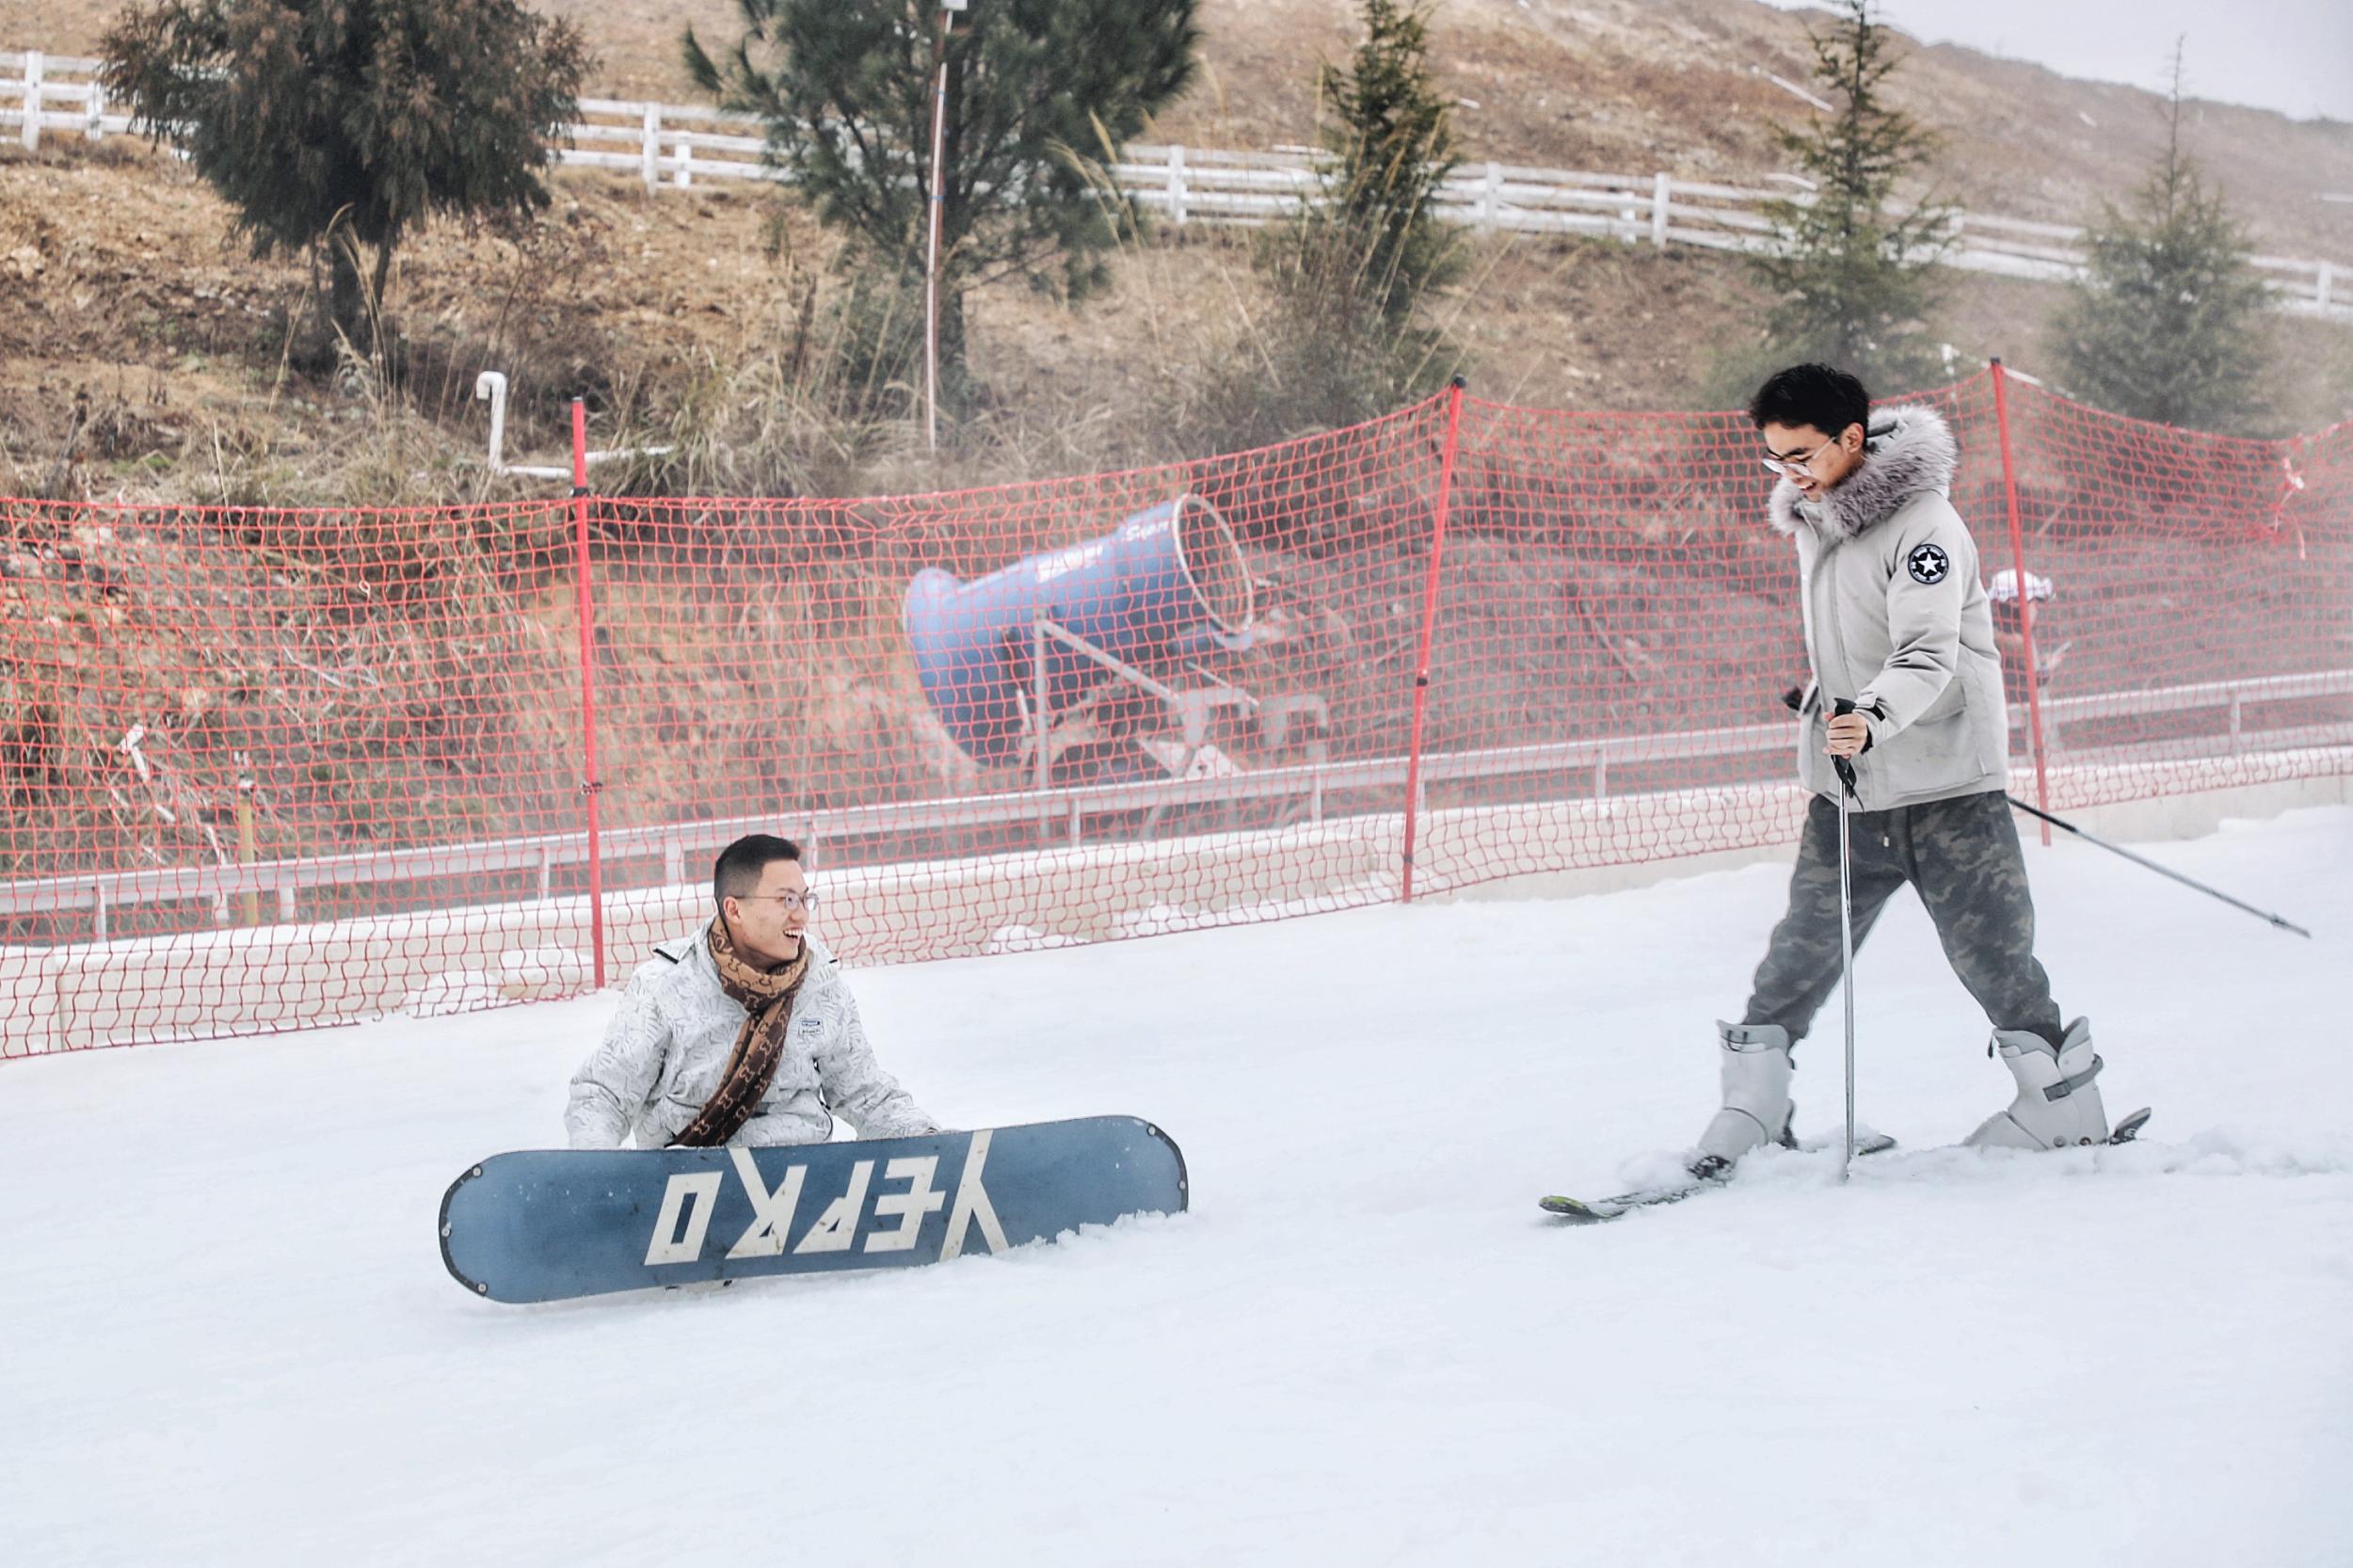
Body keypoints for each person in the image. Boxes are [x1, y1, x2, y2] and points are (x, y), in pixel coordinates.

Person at [1695, 364, 2112, 1170]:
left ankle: (2063, 1105)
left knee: (1992, 951)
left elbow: (1928, 652)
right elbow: (1861, 640)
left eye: (1802, 456)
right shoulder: (1816, 518)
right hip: (1851, 789)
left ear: (1853, 438)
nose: (1789, 476)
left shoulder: (1924, 526)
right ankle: (1754, 1106)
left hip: (1948, 783)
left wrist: (1869, 715)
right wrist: (1826, 697)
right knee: (1802, 948)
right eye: (1774, 460)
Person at [567, 833, 939, 1149]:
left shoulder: (820, 983)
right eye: (786, 900)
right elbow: (605, 1095)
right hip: (685, 1192)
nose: (802, 916)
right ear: (734, 910)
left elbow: (864, 1094)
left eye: (805, 899)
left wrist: (930, 1142)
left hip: (804, 1186)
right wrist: (596, 1180)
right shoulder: (664, 986)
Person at [1985, 567, 2057, 711]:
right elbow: (2027, 683)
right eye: (2033, 602)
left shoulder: (1995, 632)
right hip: (2015, 718)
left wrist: (2043, 664)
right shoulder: (2010, 640)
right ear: (2016, 603)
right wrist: (2046, 669)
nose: (2036, 608)